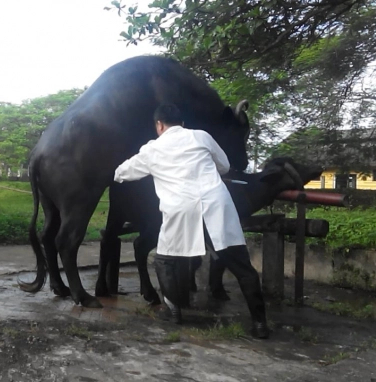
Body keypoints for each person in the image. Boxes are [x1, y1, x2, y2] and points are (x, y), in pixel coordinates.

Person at [113, 103, 269, 339]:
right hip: (217, 205)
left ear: (159, 125)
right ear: (183, 123)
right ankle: (260, 324)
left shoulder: (152, 150)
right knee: (241, 265)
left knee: (165, 260)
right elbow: (225, 166)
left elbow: (121, 173)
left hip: (180, 208)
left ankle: (173, 311)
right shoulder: (201, 137)